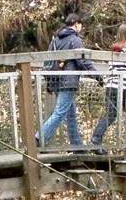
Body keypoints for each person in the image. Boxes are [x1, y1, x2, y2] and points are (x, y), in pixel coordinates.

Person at [37, 14, 95, 149]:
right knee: (61, 112)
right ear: (76, 24)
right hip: (68, 81)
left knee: (71, 114)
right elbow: (83, 61)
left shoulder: (55, 39)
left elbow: (49, 59)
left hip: (56, 79)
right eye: (81, 24)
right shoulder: (75, 39)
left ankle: (77, 147)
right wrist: (96, 75)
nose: (81, 27)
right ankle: (39, 137)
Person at [90, 21, 126, 147]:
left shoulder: (116, 49)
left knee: (112, 114)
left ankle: (97, 137)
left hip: (111, 86)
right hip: (122, 88)